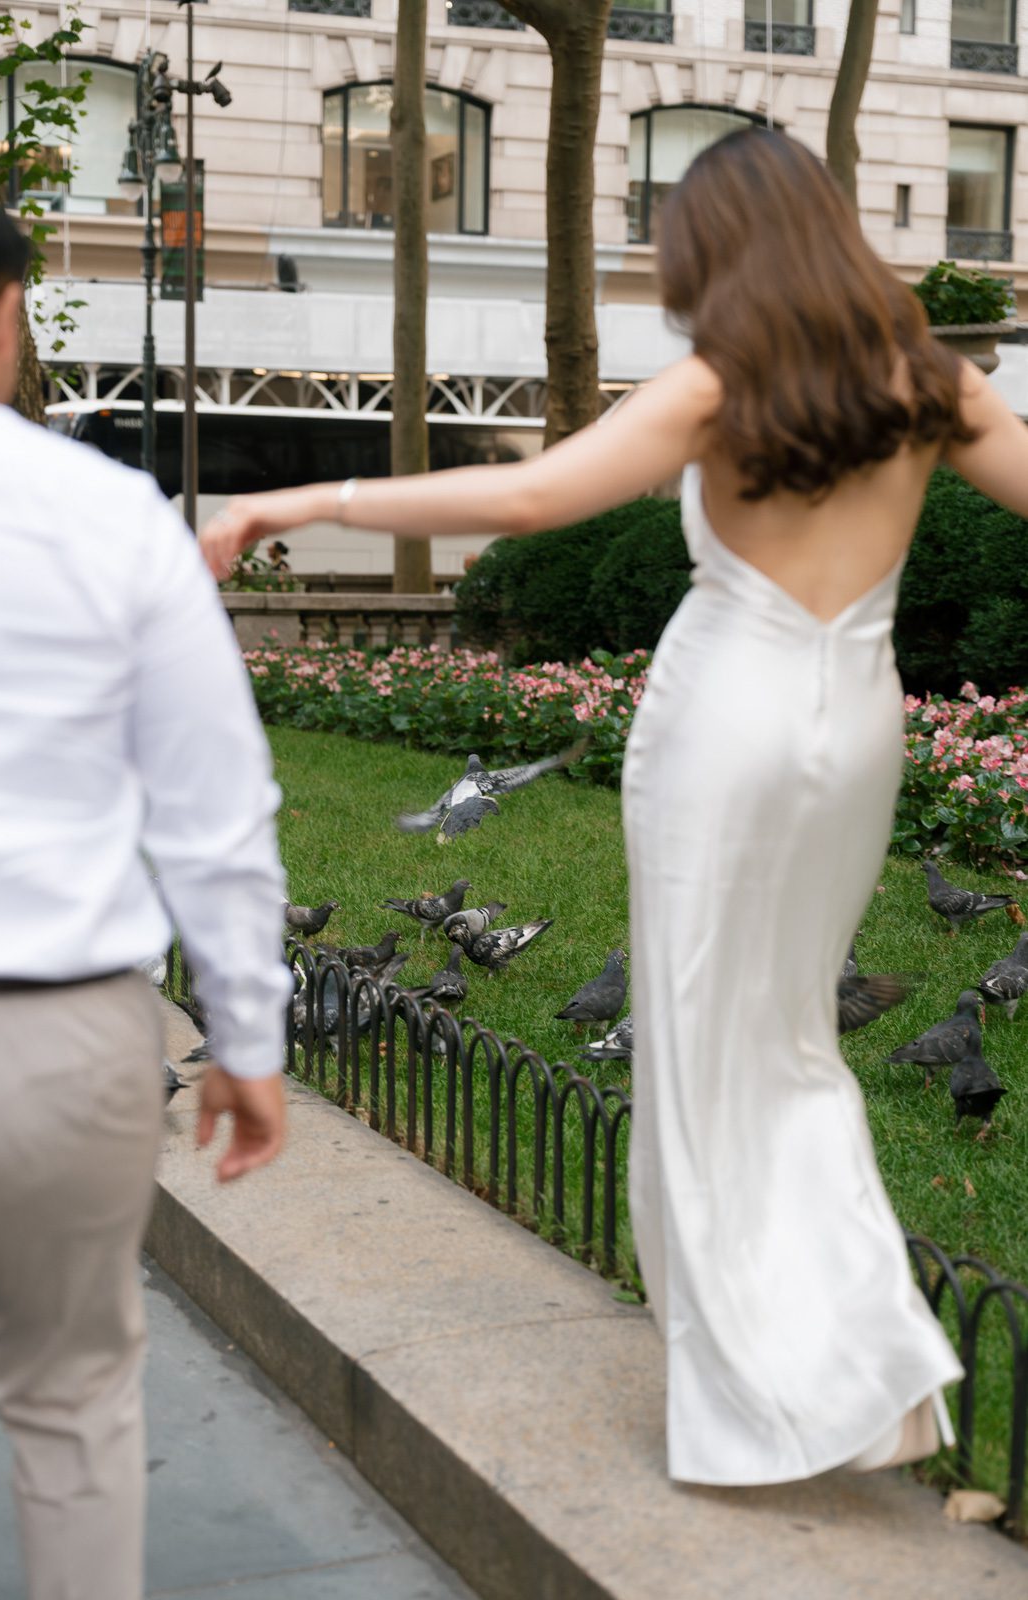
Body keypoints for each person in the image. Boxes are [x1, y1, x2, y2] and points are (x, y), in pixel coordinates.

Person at [200, 129, 1028, 1485]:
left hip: (727, 723)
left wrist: (300, 495)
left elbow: (532, 492)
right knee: (791, 1048)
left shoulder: (723, 383)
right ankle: (863, 1379)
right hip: (858, 728)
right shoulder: (930, 385)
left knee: (705, 1055)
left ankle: (786, 1395)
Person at [0, 178, 291, 1600]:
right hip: (62, 1032)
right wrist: (250, 1041)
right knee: (76, 1404)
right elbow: (215, 811)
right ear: (9, 312)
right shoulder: (107, 516)